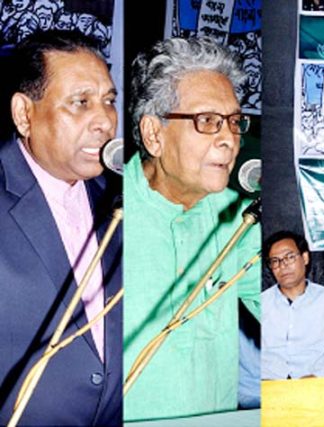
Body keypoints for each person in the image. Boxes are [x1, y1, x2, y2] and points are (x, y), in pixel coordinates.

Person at [123, 38, 260, 421]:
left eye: (234, 122)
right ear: (154, 134)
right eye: (208, 122)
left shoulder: (240, 219)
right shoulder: (104, 213)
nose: (230, 140)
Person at [0, 30, 121, 426]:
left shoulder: (123, 200)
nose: (104, 121)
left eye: (108, 101)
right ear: (24, 114)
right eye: (80, 102)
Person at [261, 230, 324, 379]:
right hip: (269, 383)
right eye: (275, 261)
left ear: (305, 258)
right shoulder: (261, 302)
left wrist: (318, 376)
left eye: (289, 257)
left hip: (316, 383)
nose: (283, 265)